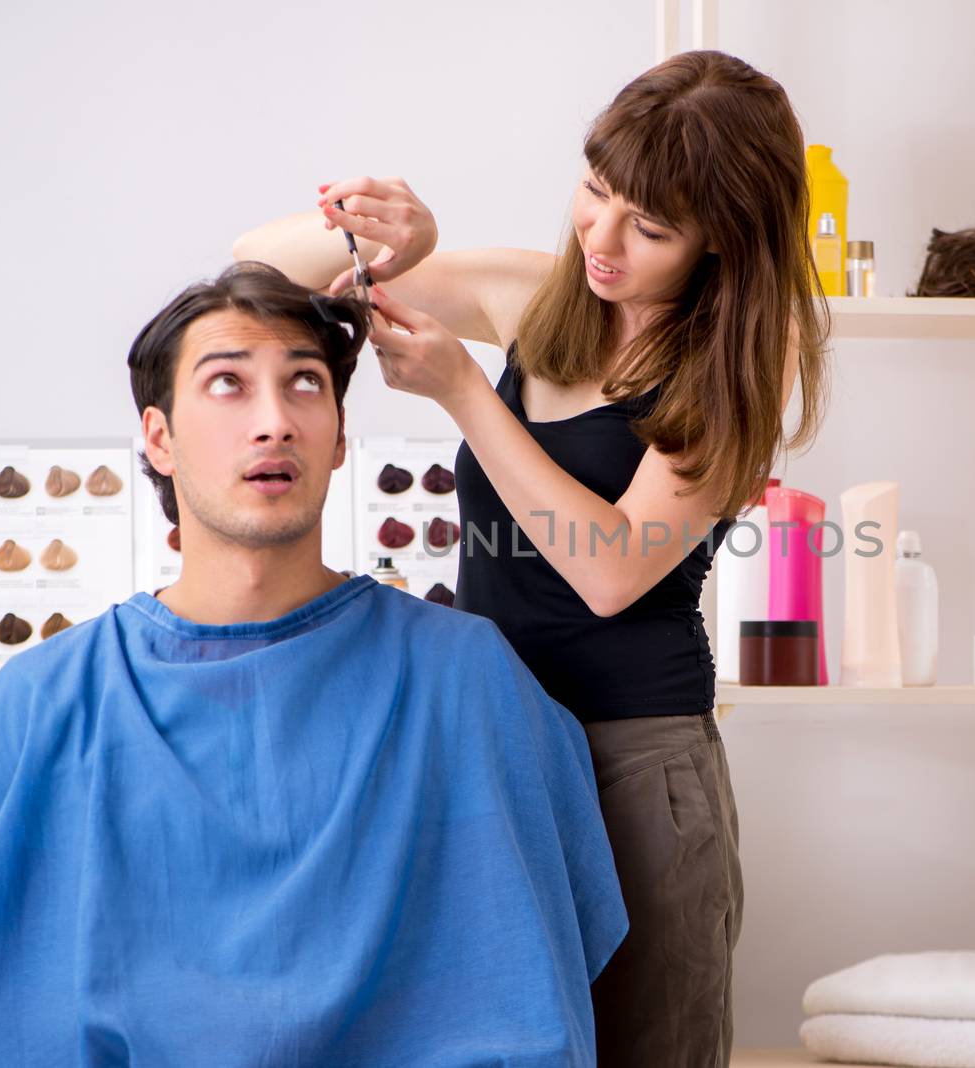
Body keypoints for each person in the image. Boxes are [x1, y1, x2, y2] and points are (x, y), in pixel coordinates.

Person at [0, 263, 627, 1067]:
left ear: (339, 440)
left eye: (304, 384)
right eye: (228, 384)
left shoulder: (465, 682)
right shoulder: (45, 700)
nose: (274, 421)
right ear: (159, 438)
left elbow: (538, 972)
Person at [234, 49, 829, 1065]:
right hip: (492, 751)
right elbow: (259, 267)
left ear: (722, 243)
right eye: (596, 193)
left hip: (635, 768)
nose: (601, 239)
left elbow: (612, 569)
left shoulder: (734, 364)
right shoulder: (540, 297)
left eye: (649, 227)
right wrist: (389, 235)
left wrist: (466, 392)